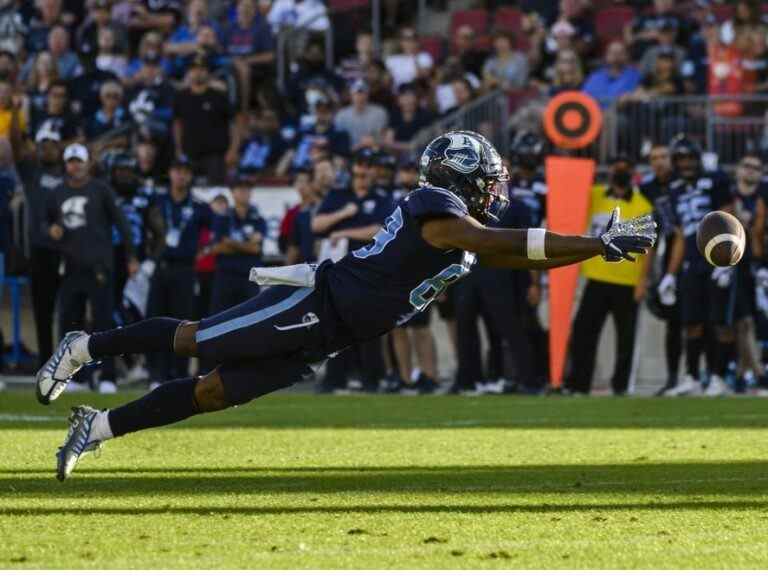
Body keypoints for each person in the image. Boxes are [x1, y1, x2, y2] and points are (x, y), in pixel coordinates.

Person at [35, 131, 655, 480]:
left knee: (212, 393)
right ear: (458, 175)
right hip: (317, 300)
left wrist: (592, 248)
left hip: (328, 333)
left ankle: (100, 426)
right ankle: (86, 346)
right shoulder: (436, 212)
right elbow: (500, 242)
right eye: (489, 178)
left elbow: (518, 255)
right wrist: (599, 240)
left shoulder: (457, 221)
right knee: (197, 338)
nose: (497, 189)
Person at [44, 143, 138, 395]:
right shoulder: (56, 193)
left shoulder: (100, 190)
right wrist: (51, 230)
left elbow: (121, 222)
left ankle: (108, 376)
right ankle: (75, 377)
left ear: (87, 164)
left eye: (79, 161)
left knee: (103, 323)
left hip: (99, 267)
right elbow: (46, 221)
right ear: (66, 164)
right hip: (71, 266)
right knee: (69, 322)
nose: (75, 165)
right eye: (71, 161)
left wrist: (131, 256)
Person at [566, 155, 653, 396]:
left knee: (625, 339)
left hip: (627, 280)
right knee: (583, 333)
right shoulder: (593, 196)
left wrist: (642, 281)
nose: (620, 173)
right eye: (616, 168)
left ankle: (621, 386)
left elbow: (648, 248)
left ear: (633, 173)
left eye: (625, 169)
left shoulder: (643, 205)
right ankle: (578, 384)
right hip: (595, 277)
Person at [657, 135, 735, 397]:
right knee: (692, 322)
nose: (687, 163)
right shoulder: (674, 190)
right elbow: (679, 235)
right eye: (681, 159)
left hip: (716, 259)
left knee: (720, 322)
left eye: (690, 158)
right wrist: (669, 274)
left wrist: (727, 260)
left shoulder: (715, 180)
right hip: (691, 262)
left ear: (698, 159)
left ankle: (719, 377)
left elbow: (728, 218)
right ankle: (691, 377)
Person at [143, 155, 213, 388]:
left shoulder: (199, 207)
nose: (181, 175)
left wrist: (203, 251)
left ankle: (179, 375)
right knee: (156, 320)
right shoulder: (157, 201)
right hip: (161, 268)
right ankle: (156, 374)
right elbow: (144, 229)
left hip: (185, 270)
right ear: (170, 173)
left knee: (182, 325)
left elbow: (215, 231)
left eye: (185, 171)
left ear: (190, 175)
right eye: (177, 170)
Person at [19, 124, 64, 369]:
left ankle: (69, 364)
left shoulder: (69, 173)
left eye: (52, 145)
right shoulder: (31, 173)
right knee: (43, 312)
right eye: (43, 145)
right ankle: (46, 364)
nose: (47, 149)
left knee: (69, 313)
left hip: (67, 251)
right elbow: (14, 144)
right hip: (40, 251)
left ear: (59, 148)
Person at [640, 144, 682, 395]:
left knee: (699, 320)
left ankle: (704, 376)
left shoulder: (683, 182)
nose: (659, 162)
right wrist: (646, 276)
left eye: (663, 156)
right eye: (654, 158)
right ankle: (673, 377)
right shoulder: (647, 189)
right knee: (674, 322)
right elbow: (651, 232)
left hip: (693, 255)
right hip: (667, 256)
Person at [207, 181, 266, 313]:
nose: (244, 192)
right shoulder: (222, 218)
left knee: (250, 319)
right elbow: (216, 248)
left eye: (247, 189)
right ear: (232, 193)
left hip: (249, 278)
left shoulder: (258, 219)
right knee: (219, 319)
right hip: (225, 277)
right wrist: (246, 245)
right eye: (240, 189)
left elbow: (256, 249)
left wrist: (230, 242)